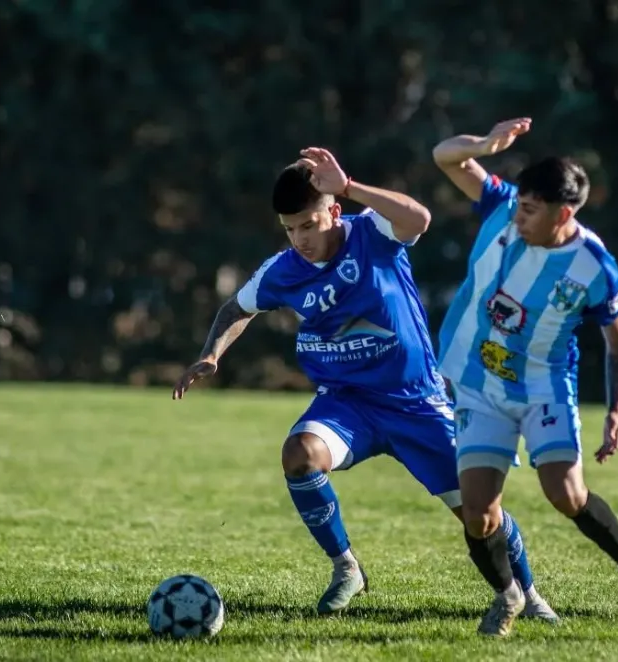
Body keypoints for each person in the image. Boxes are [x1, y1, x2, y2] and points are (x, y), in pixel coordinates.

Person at [171, 148, 557, 621]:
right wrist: (212, 353)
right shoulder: (282, 271)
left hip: (415, 402)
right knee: (299, 454)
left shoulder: (373, 232)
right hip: (347, 405)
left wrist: (349, 186)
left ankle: (530, 596)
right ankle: (346, 567)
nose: (300, 240)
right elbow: (236, 308)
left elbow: (420, 217)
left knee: (480, 514)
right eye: (290, 229)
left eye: (308, 225)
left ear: (333, 210)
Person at [432, 118, 618, 637]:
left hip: (544, 384)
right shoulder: (503, 207)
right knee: (478, 513)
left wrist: (616, 411)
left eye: (530, 210)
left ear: (563, 213)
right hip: (478, 383)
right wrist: (481, 146)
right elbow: (444, 157)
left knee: (566, 494)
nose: (517, 217)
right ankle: (508, 595)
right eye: (519, 205)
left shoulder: (595, 267)